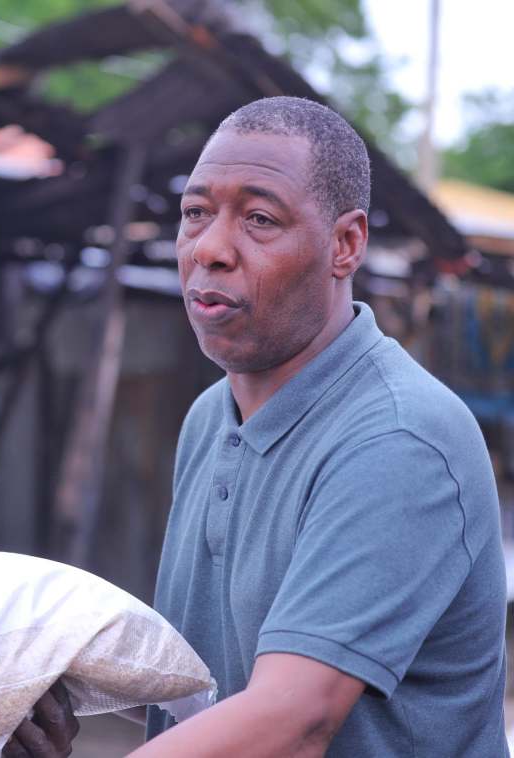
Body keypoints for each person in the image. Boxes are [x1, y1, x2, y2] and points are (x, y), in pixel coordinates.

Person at [132, 97, 508, 756]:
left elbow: (295, 720)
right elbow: (201, 695)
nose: (210, 248)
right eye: (195, 213)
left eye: (259, 219)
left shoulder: (397, 439)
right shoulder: (209, 418)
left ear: (345, 244)